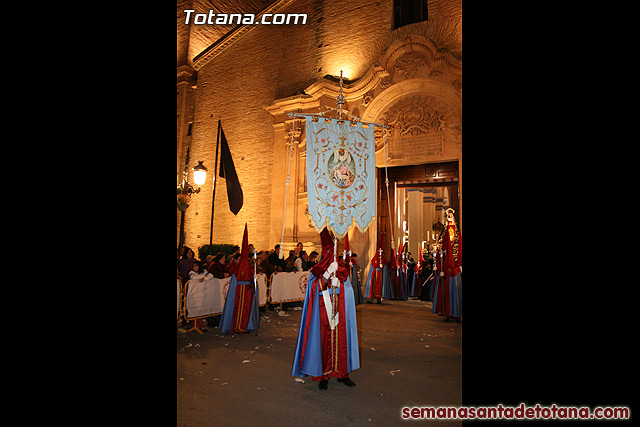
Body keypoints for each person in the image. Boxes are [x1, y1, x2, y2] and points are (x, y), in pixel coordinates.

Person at [291, 228, 359, 390]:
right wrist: (327, 276)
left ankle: (342, 374)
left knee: (341, 342)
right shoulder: (318, 270)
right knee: (323, 342)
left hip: (339, 311)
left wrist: (340, 285)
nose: (331, 257)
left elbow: (349, 291)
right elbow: (313, 288)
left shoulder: (342, 270)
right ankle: (323, 376)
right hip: (322, 313)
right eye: (328, 254)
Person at [219, 224, 260, 334]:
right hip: (240, 290)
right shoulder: (241, 265)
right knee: (239, 308)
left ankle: (244, 325)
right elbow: (235, 276)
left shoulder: (247, 265)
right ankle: (238, 326)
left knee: (245, 308)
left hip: (246, 290)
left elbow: (252, 276)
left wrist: (253, 280)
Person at [432, 208, 462, 322]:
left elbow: (459, 248)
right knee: (446, 291)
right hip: (446, 266)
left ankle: (457, 313)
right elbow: (441, 247)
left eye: (451, 216)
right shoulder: (444, 235)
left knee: (457, 291)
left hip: (455, 266)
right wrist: (439, 264)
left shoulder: (458, 235)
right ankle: (447, 313)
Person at [189, 260, 213, 331]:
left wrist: (205, 278)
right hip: (194, 294)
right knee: (195, 309)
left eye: (196, 266)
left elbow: (211, 275)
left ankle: (198, 325)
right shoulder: (191, 272)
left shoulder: (204, 271)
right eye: (193, 266)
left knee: (200, 310)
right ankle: (197, 325)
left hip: (201, 294)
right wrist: (203, 276)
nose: (194, 268)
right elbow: (193, 277)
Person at [364, 237, 387, 303]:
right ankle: (371, 298)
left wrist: (382, 265)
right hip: (375, 276)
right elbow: (373, 265)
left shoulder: (382, 258)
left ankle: (379, 298)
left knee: (379, 287)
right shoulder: (375, 259)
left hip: (380, 275)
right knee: (373, 287)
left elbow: (385, 263)